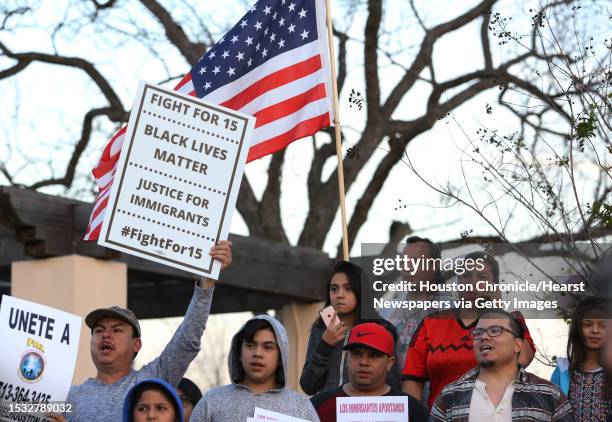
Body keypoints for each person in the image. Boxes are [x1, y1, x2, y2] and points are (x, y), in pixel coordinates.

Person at [46, 241, 232, 422]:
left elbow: (186, 341)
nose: (106, 335)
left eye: (117, 330)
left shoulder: (152, 380)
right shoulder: (68, 398)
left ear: (136, 344)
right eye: (99, 330)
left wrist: (206, 284)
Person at [402, 251, 536, 408]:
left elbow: (523, 359)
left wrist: (497, 312)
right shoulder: (431, 323)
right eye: (465, 276)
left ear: (494, 285)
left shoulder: (513, 320)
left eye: (482, 277)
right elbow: (412, 381)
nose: (472, 283)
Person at [430, 309, 574, 421]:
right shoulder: (450, 396)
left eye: (495, 330)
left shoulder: (548, 394)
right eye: (478, 333)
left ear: (517, 345)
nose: (484, 337)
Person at [190, 315, 319, 421]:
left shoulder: (301, 408)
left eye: (268, 347)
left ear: (281, 357)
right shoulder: (212, 401)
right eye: (250, 345)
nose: (257, 353)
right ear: (238, 353)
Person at [300, 261, 401, 395]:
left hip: (366, 411)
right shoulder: (321, 328)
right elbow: (308, 386)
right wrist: (325, 345)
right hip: (327, 410)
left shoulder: (382, 329)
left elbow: (392, 385)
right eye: (334, 289)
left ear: (360, 291)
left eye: (348, 288)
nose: (339, 295)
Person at [310, 322, 427, 422]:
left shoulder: (411, 409)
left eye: (374, 355)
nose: (364, 362)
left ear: (389, 363)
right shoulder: (318, 405)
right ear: (347, 358)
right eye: (357, 354)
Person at [551, 297, 610, 421]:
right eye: (588, 324)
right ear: (577, 329)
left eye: (602, 325)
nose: (595, 330)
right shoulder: (562, 371)